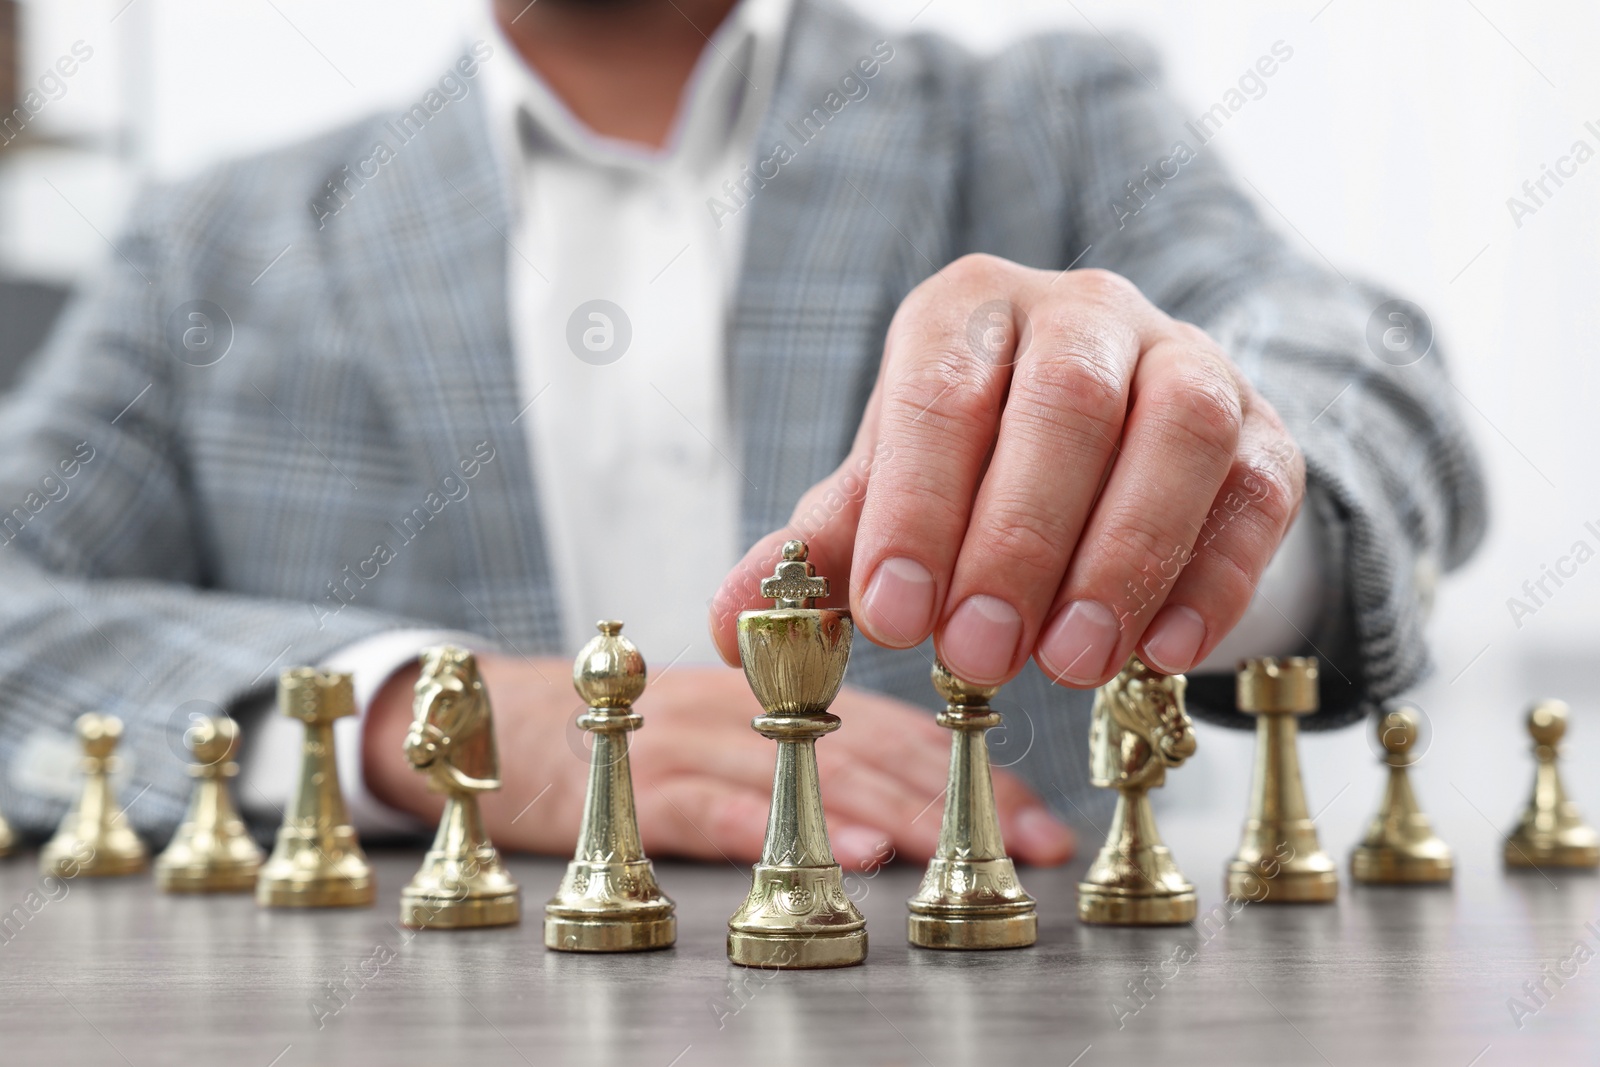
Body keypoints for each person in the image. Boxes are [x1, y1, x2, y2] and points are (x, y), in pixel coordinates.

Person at [0, 0, 1484, 870]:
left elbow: (1365, 369)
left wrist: (1225, 507)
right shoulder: (209, 244)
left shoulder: (1055, 119)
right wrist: (434, 724)